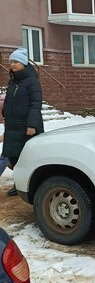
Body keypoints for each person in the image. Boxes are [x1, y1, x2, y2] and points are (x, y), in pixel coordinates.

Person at [3, 47, 44, 196]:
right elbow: (8, 100)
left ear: (24, 64)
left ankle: (25, 184)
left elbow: (36, 103)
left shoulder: (32, 81)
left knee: (24, 156)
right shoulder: (12, 81)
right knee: (12, 156)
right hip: (12, 124)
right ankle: (18, 181)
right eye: (11, 62)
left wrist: (32, 125)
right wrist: (4, 111)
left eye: (16, 62)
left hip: (26, 126)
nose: (12, 64)